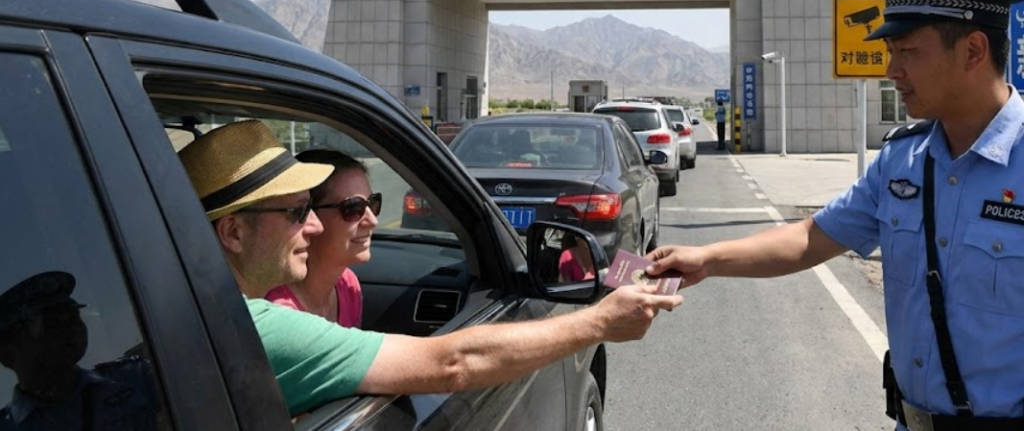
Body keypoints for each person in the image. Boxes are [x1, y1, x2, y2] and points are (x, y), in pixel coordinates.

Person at [647, 0, 1024, 429]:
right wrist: (710, 258)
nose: (892, 70)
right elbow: (813, 237)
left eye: (907, 51)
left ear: (972, 51)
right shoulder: (902, 161)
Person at [178, 119, 682, 417]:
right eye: (295, 212)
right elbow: (451, 364)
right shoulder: (258, 327)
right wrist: (598, 321)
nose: (311, 226)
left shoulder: (202, 306)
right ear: (233, 232)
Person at [0, 272, 165, 430]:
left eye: (72, 315)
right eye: (51, 322)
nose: (69, 327)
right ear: (6, 353)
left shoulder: (137, 379)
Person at [266, 150, 376, 328]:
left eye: (373, 203)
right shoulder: (279, 312)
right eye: (353, 207)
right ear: (307, 215)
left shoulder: (347, 284)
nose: (372, 221)